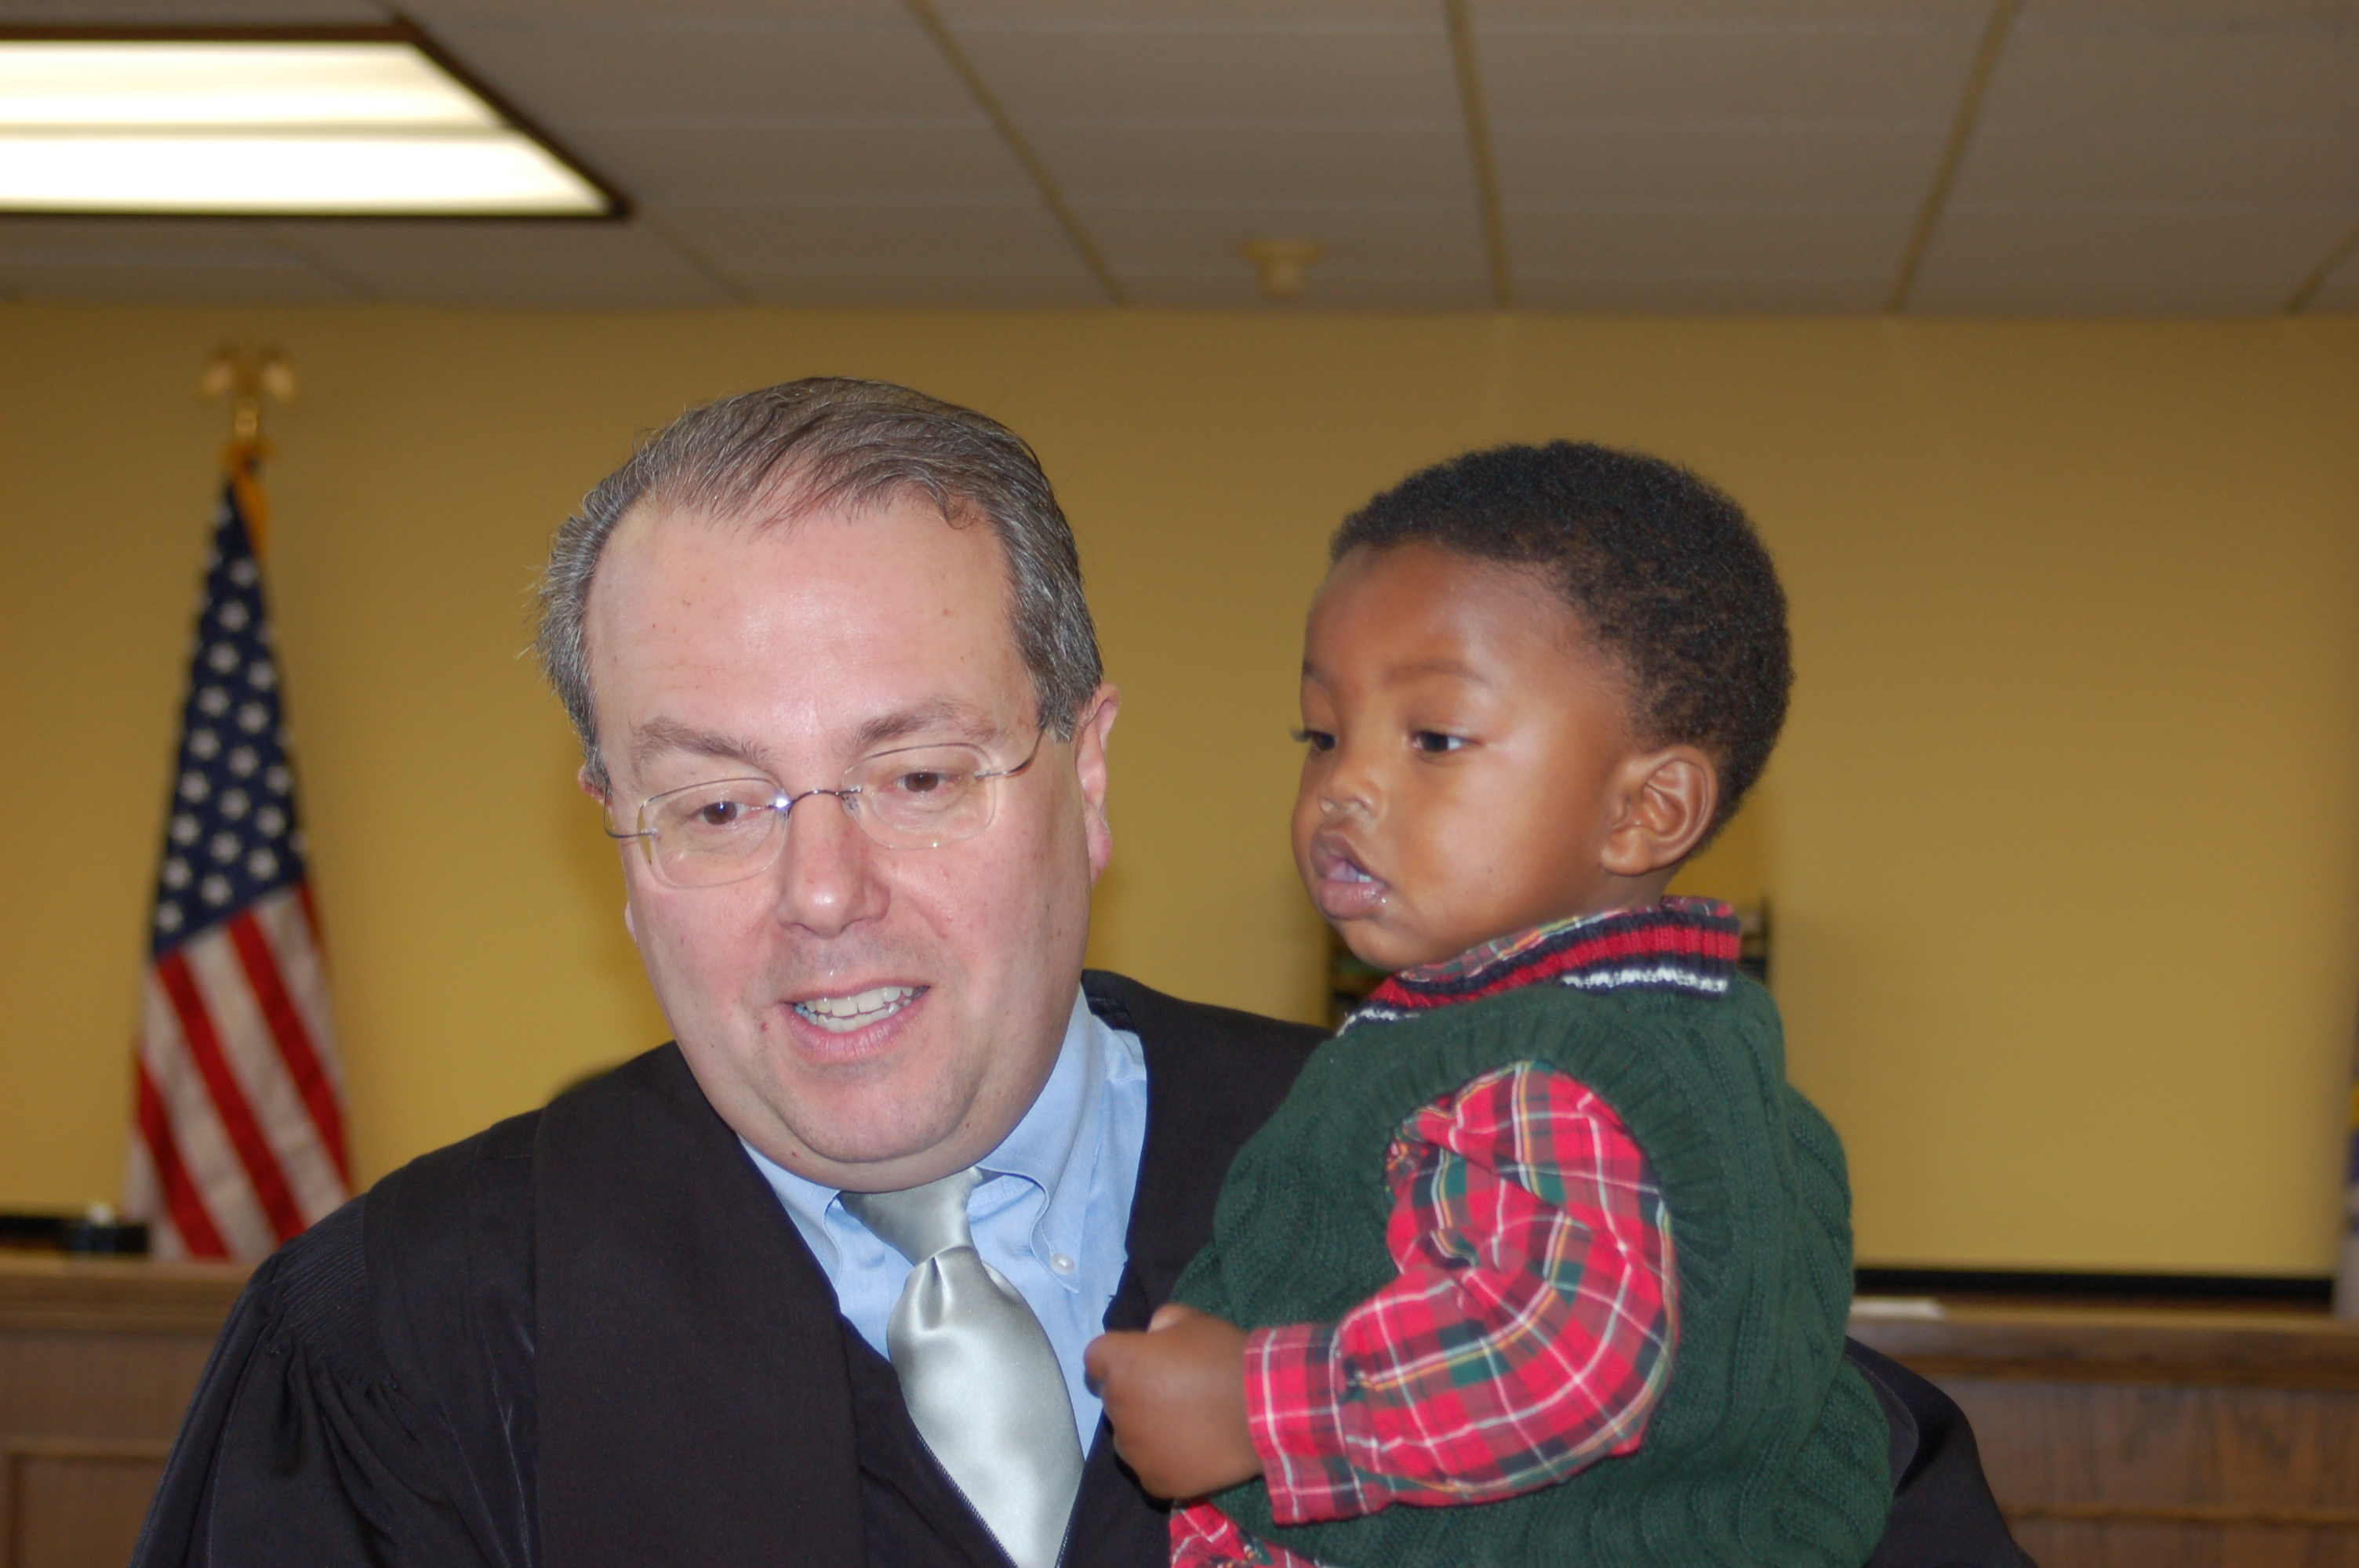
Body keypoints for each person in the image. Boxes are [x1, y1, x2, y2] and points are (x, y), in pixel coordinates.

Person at [133, 383, 2014, 1568]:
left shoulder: (1506, 1172)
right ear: (614, 839)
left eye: (919, 774)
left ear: (1087, 776)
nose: (821, 892)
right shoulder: (403, 1337)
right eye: (712, 804)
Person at [1085, 442, 2029, 1568]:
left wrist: (1254, 1412)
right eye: (1322, 736)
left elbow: (1567, 1351)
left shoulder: (1545, 1070)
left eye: (1436, 738)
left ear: (1647, 811)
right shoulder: (1702, 1066)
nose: (1344, 787)